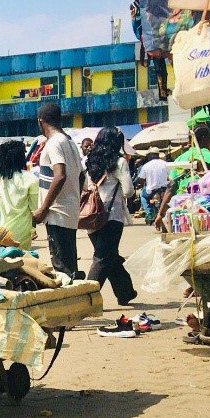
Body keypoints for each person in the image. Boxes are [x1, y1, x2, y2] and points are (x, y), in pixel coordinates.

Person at [84, 127, 137, 305]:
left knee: (109, 256)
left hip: (91, 216)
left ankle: (126, 292)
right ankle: (85, 299)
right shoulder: (119, 162)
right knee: (102, 258)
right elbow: (129, 191)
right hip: (111, 216)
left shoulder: (90, 159)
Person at [32, 103, 83, 276]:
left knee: (63, 269)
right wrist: (74, 196)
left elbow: (60, 175)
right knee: (69, 265)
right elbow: (81, 176)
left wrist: (43, 209)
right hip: (69, 210)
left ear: (41, 121)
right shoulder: (69, 141)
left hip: (57, 214)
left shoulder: (54, 143)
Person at [137, 152, 171, 221]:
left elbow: (141, 179)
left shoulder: (146, 165)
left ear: (150, 156)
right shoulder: (165, 164)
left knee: (142, 196)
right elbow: (170, 176)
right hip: (164, 189)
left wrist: (142, 184)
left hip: (151, 190)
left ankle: (149, 213)